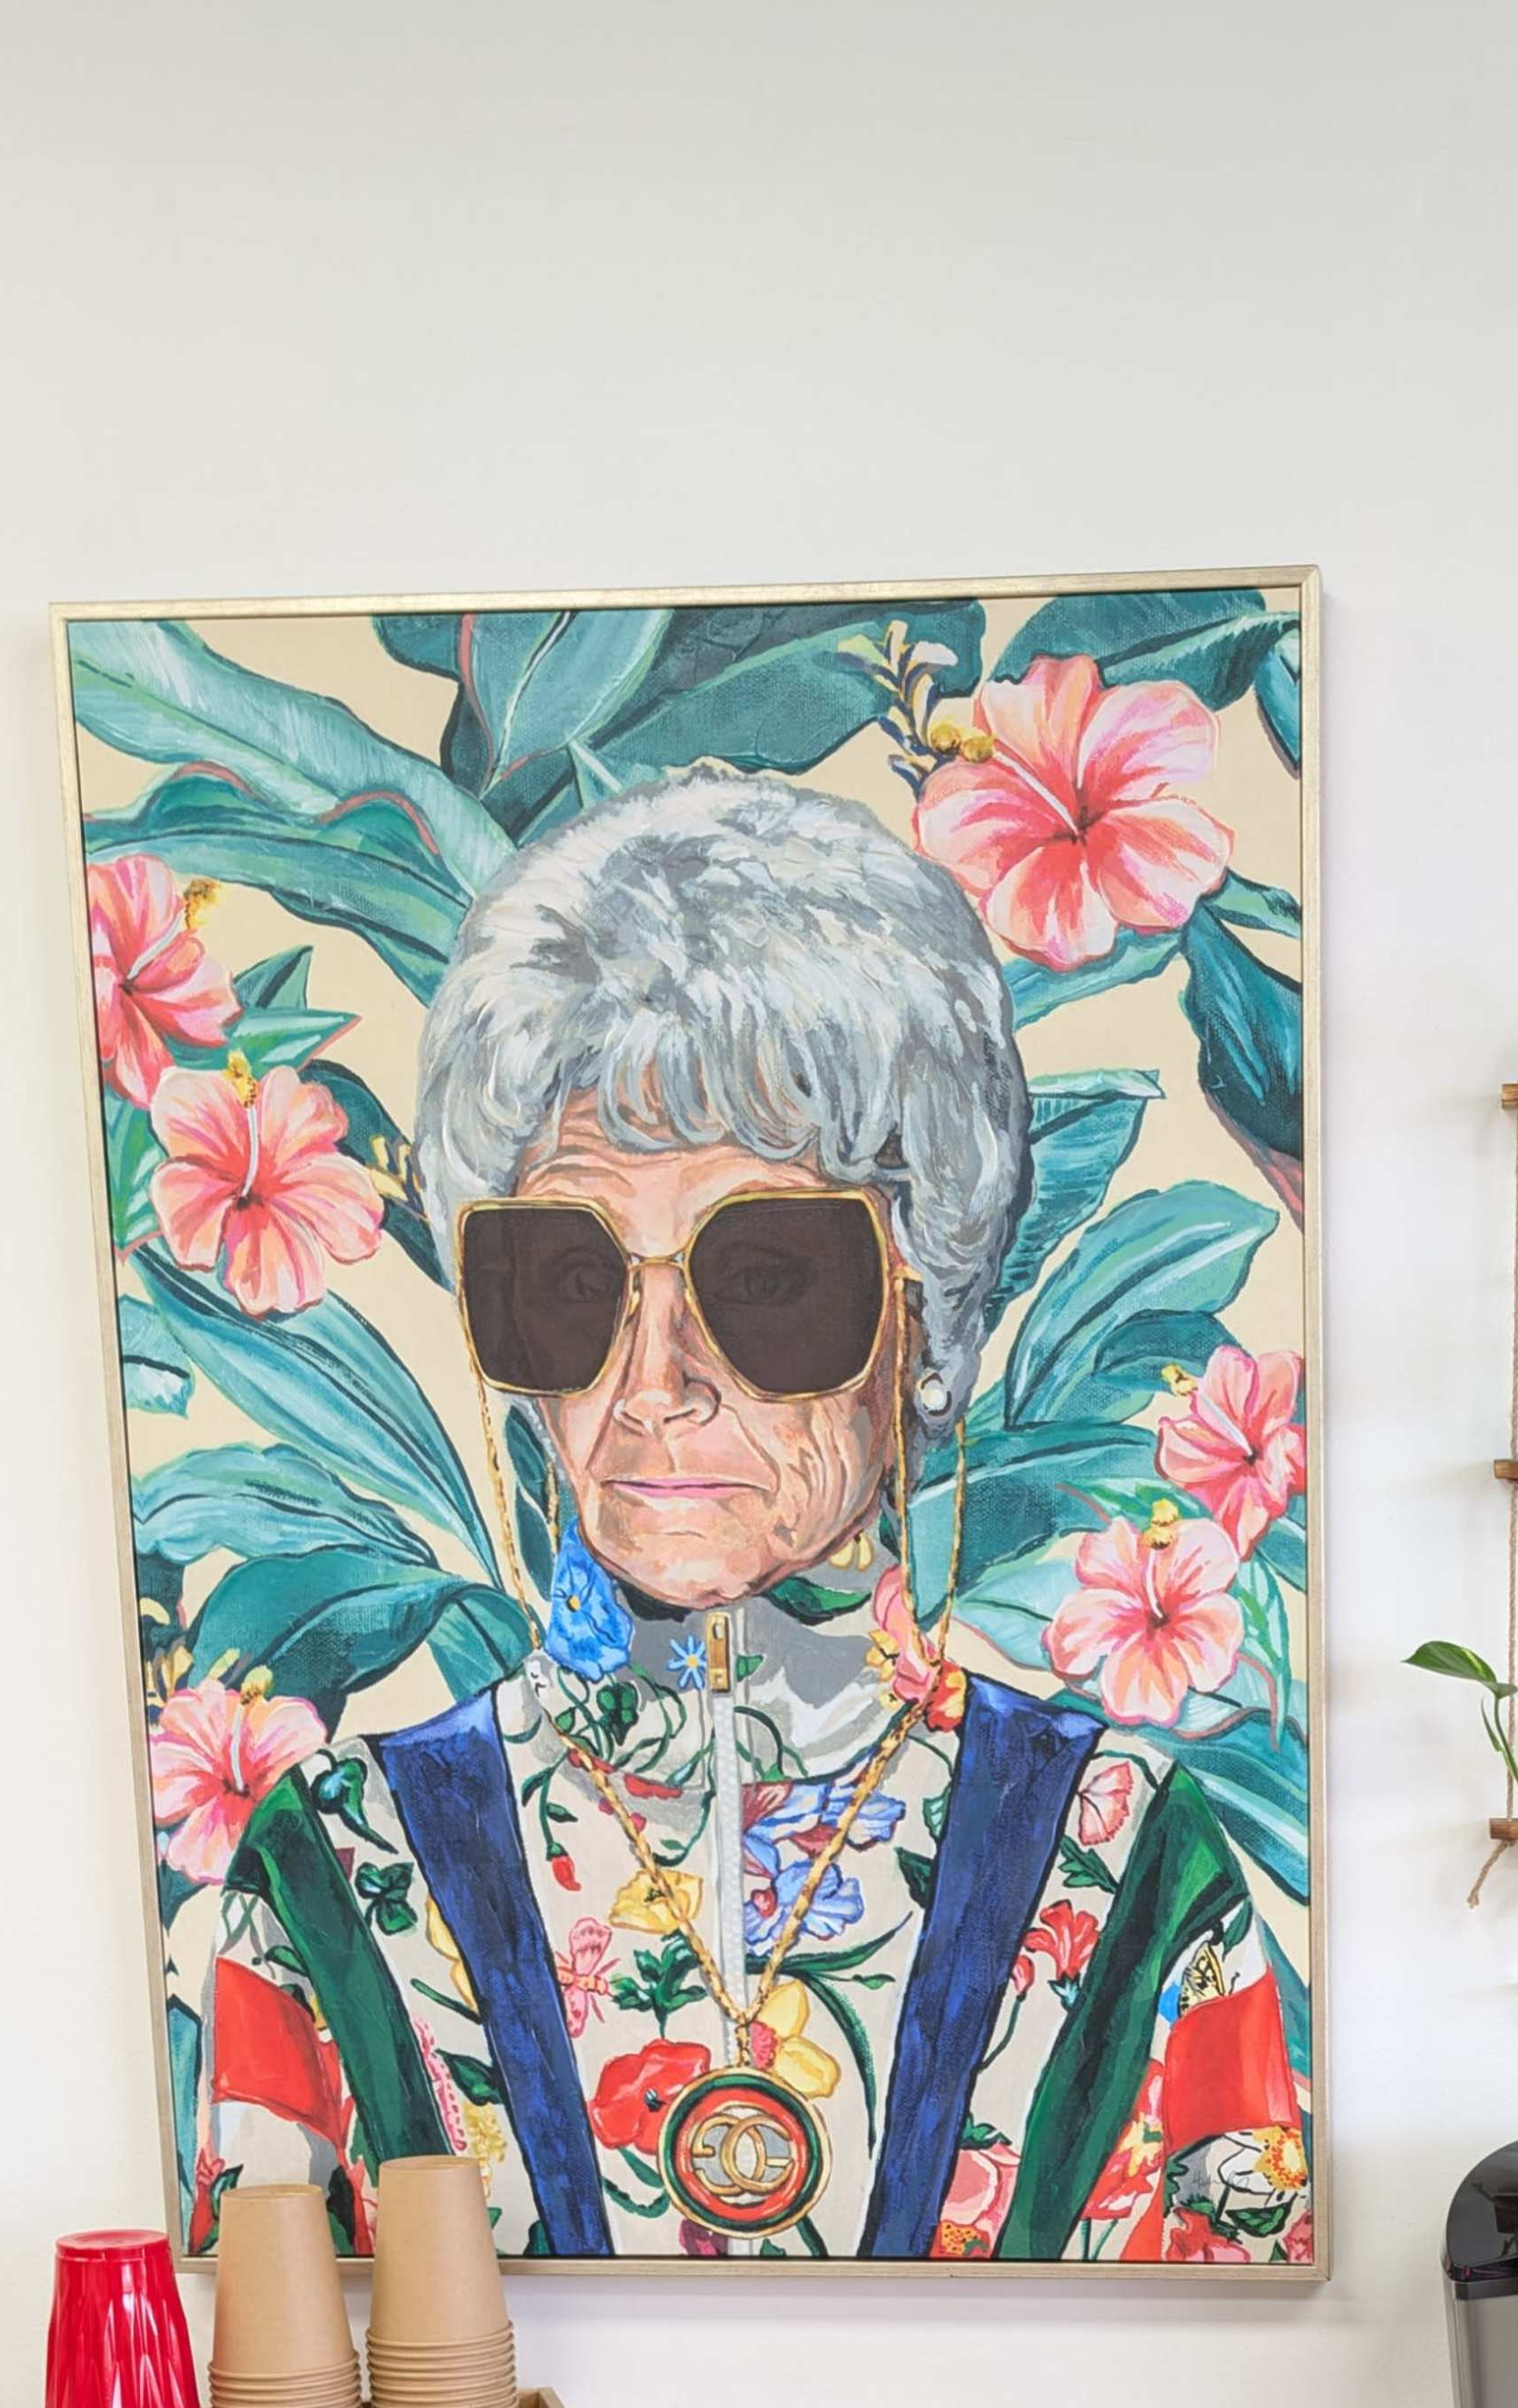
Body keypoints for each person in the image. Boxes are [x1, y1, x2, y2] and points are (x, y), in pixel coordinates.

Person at [400, 770, 1130, 2257]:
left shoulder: (1124, 1876)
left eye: (769, 1276)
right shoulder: (345, 1880)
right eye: (569, 1278)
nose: (652, 1384)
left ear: (922, 1320)